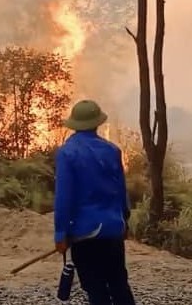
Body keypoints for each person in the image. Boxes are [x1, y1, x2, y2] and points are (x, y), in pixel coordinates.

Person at [53, 99, 135, 305]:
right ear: (97, 123)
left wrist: (60, 233)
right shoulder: (112, 151)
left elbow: (64, 197)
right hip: (113, 228)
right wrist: (125, 219)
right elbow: (120, 189)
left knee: (95, 288)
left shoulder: (67, 153)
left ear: (74, 124)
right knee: (119, 283)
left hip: (85, 232)